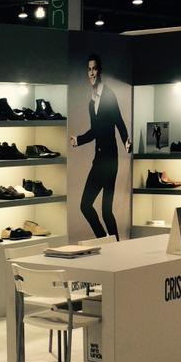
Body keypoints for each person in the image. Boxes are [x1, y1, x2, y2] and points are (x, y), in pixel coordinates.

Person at [69, 53, 131, 240]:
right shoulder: (92, 103)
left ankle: (112, 245)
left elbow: (119, 121)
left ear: (100, 71)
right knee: (88, 206)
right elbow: (95, 131)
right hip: (99, 159)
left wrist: (126, 141)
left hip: (110, 160)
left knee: (105, 210)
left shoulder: (108, 95)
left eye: (94, 69)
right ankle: (109, 242)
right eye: (89, 69)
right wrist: (78, 140)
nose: (91, 73)